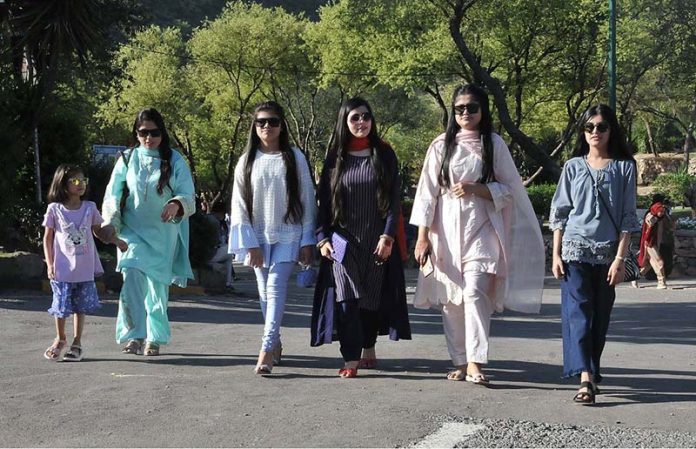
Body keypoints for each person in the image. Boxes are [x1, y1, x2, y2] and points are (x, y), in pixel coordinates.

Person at [410, 84, 544, 386]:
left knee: (473, 293)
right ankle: (459, 359)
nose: (465, 113)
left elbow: (510, 190)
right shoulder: (440, 146)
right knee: (451, 300)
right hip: (444, 233)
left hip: (483, 231)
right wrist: (421, 238)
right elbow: (426, 195)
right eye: (459, 109)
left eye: (472, 107)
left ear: (483, 111)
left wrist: (476, 189)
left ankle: (475, 361)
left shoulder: (493, 144)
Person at [311, 97, 411, 378]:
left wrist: (388, 236)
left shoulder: (384, 153)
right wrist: (322, 238)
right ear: (345, 121)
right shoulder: (335, 157)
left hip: (376, 238)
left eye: (366, 117)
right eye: (354, 117)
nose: (361, 122)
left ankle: (368, 345)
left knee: (370, 298)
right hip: (342, 239)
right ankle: (350, 357)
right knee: (347, 298)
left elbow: (393, 201)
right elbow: (324, 203)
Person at [549, 104, 641, 405]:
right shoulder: (573, 166)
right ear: (583, 131)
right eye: (589, 127)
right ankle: (585, 378)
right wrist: (556, 254)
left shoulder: (625, 166)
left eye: (601, 127)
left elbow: (628, 218)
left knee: (600, 319)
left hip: (607, 255)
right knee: (579, 316)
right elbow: (560, 212)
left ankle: (591, 369)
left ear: (611, 130)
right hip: (574, 250)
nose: (595, 132)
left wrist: (619, 258)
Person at [229, 101, 316, 374]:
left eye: (273, 121)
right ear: (254, 127)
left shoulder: (295, 157)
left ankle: (265, 349)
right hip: (256, 237)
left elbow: (308, 199)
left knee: (276, 290)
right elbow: (238, 204)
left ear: (282, 126)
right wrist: (249, 243)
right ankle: (275, 341)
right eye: (261, 122)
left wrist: (307, 240)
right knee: (264, 295)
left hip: (289, 233)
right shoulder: (247, 160)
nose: (267, 126)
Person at [101, 108, 196, 357]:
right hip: (132, 232)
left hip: (163, 235)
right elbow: (113, 194)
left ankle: (154, 338)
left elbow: (188, 194)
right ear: (136, 133)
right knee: (131, 274)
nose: (149, 138)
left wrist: (176, 204)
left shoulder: (174, 159)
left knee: (157, 288)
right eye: (143, 132)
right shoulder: (126, 158)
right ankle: (134, 335)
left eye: (154, 133)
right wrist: (110, 223)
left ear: (162, 133)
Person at [42, 164, 126, 361]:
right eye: (75, 181)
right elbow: (47, 238)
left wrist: (116, 240)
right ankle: (60, 338)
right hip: (62, 269)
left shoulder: (90, 208)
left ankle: (77, 343)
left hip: (84, 269)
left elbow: (98, 231)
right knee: (61, 306)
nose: (80, 184)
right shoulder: (54, 209)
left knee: (80, 307)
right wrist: (50, 263)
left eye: (83, 180)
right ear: (63, 184)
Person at [636, 197, 672, 289]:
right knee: (659, 262)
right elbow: (649, 225)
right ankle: (661, 282)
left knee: (649, 263)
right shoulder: (651, 217)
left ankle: (635, 277)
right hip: (649, 243)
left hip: (654, 243)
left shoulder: (660, 218)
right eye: (661, 211)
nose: (662, 213)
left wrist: (658, 244)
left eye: (664, 211)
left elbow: (660, 232)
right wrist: (652, 221)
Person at [207, 201, 237, 288]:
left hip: (215, 250)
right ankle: (228, 282)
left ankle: (228, 282)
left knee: (228, 253)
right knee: (229, 252)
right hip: (210, 252)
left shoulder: (221, 223)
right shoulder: (213, 221)